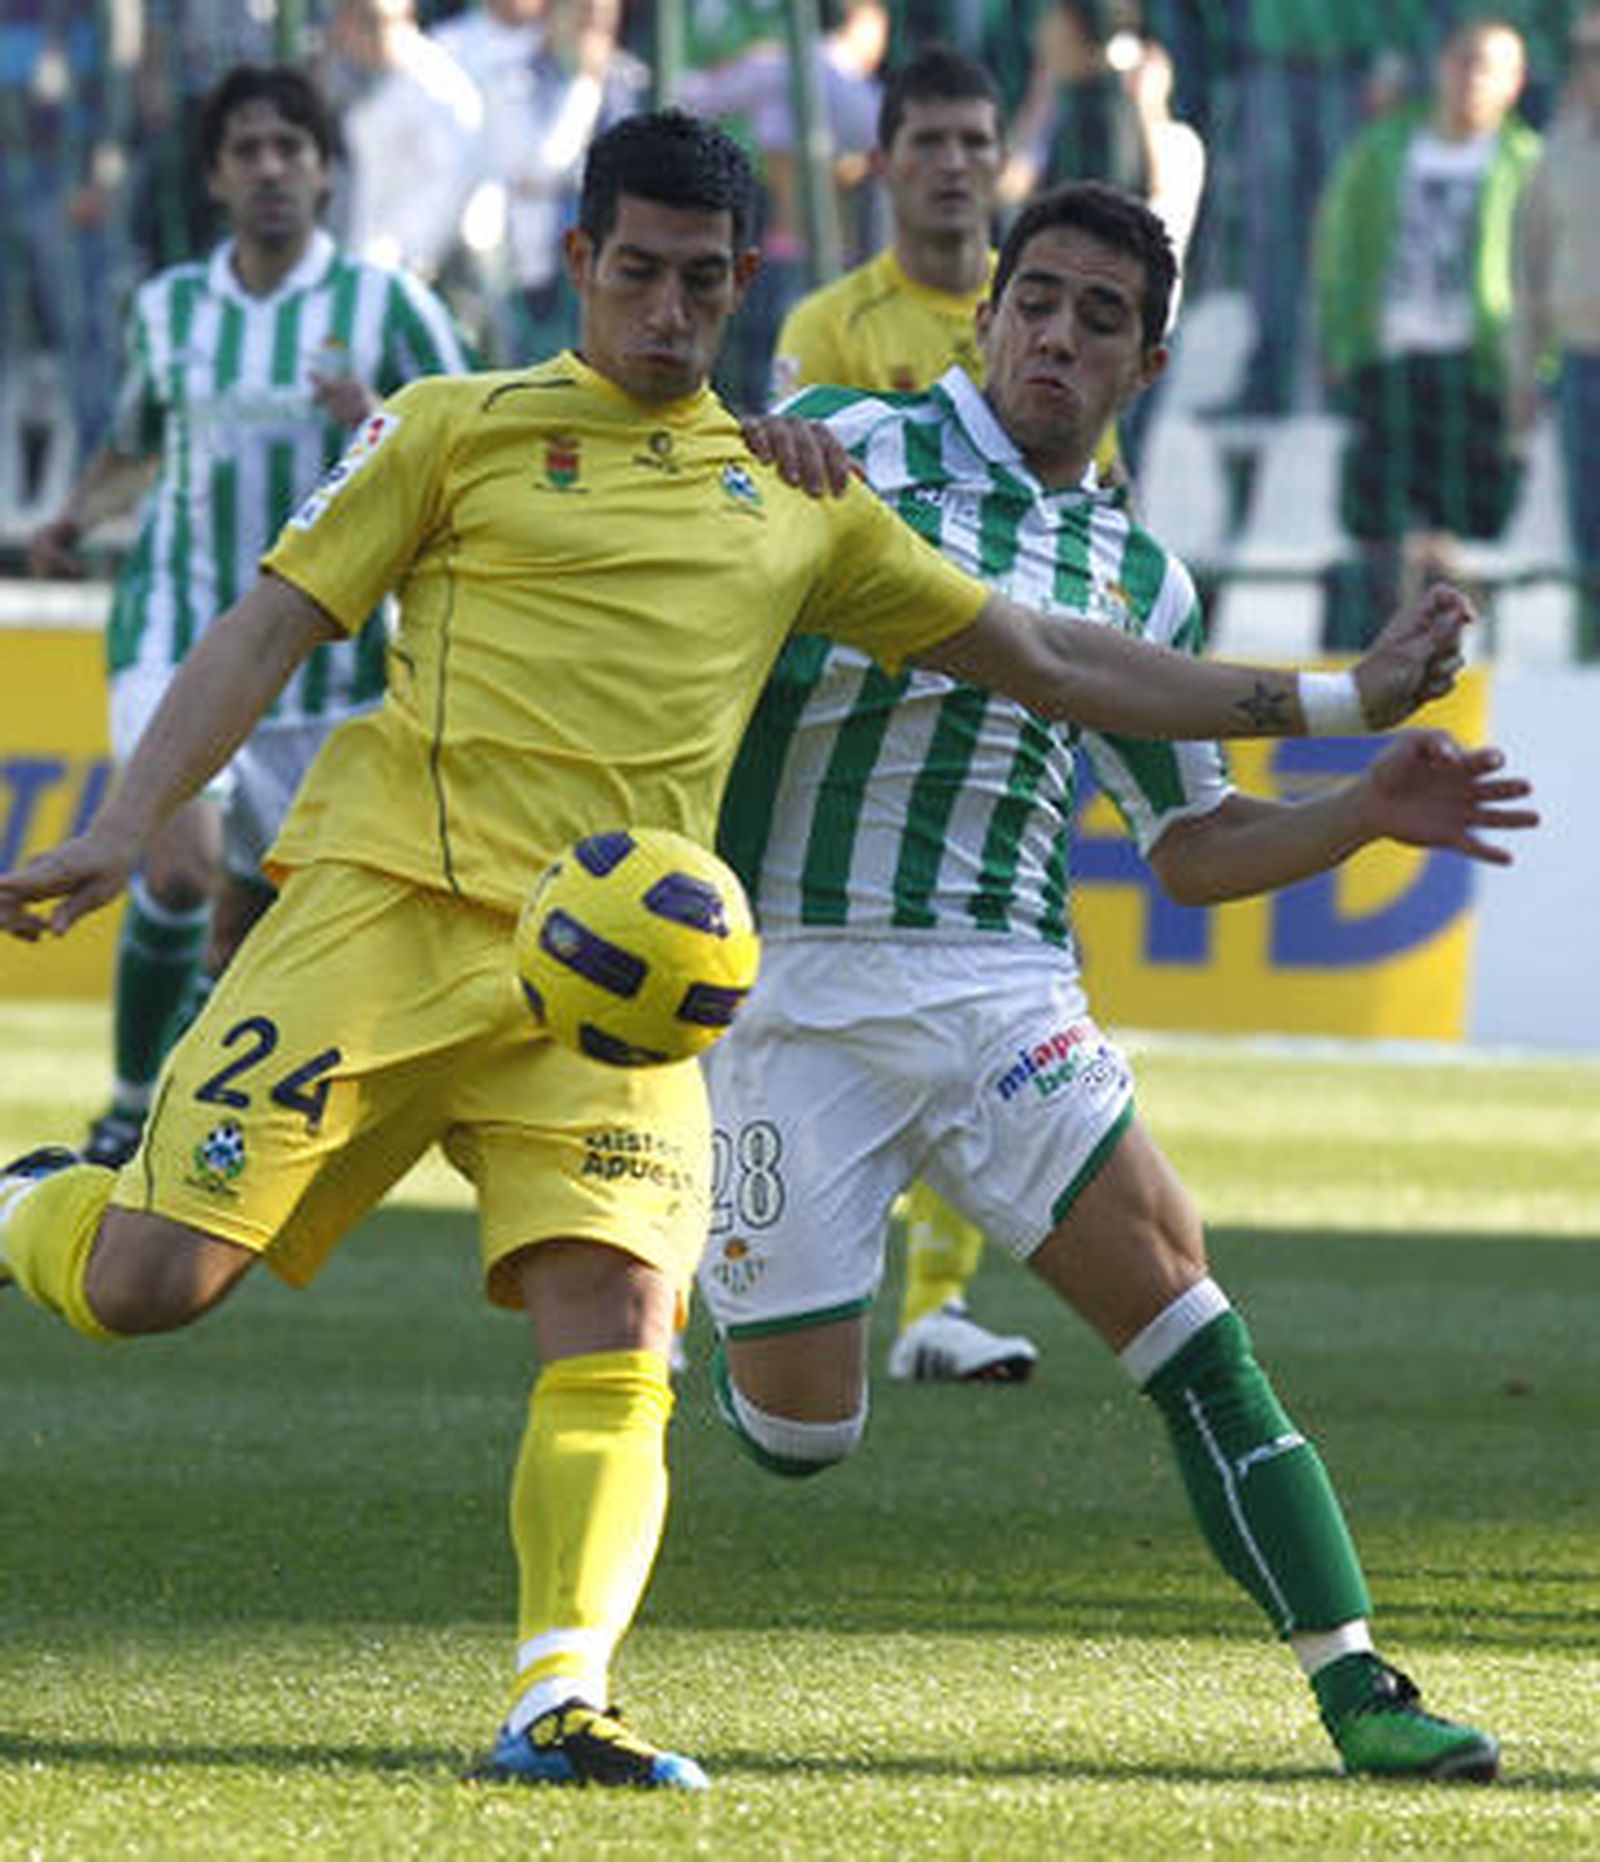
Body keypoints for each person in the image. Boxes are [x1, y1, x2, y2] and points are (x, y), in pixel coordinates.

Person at [0, 110, 1470, 1795]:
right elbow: (269, 621)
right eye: (636, 274)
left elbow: (1065, 671)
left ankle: (568, 1695)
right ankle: (28, 1201)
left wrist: (1352, 725)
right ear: (579, 266)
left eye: (701, 283)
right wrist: (128, 821)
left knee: (647, 1314)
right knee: (159, 1286)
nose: (665, 314)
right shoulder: (565, 435)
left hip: (709, 990)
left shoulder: (879, 517)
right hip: (474, 933)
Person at [703, 181, 1531, 1782]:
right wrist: (749, 453)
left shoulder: (1143, 579)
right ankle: (709, 1244)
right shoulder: (834, 444)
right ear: (988, 309)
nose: (1058, 337)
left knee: (1192, 1321)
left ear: (1144, 368)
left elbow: (1196, 843)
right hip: (793, 981)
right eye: (1040, 300)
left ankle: (1357, 1682)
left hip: (1007, 989)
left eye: (1101, 320)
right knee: (803, 1429)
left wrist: (1363, 810)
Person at [25, 64, 470, 1169]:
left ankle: (192, 1115)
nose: (271, 169)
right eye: (248, 151)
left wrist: (371, 420)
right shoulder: (171, 308)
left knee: (254, 930)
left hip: (335, 673)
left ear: (325, 171)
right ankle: (129, 1110)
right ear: (217, 176)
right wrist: (74, 518)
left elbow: (469, 458)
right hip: (177, 626)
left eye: (292, 149)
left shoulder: (388, 307)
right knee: (178, 868)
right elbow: (137, 442)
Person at [773, 42, 1101, 1383]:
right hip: (866, 714)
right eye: (932, 143)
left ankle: (941, 1303)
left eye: (977, 140)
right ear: (885, 163)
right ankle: (756, 1270)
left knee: (1008, 974)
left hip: (1019, 693)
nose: (958, 163)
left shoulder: (1063, 319)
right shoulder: (835, 325)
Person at [1315, 16, 1541, 647]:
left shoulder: (1525, 161)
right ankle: (1364, 666)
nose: (1473, 78)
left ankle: (1452, 669)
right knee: (1376, 532)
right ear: (1442, 65)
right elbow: (1339, 246)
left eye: (1490, 66)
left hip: (1477, 366)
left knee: (1461, 537)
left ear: (1515, 82)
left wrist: (1533, 367)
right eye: (1464, 60)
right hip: (1387, 357)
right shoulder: (1383, 148)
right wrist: (1339, 337)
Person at [1508, 4, 1600, 658]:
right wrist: (1524, 371)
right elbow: (1527, 274)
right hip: (1579, 364)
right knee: (1588, 538)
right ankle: (1591, 666)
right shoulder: (1557, 154)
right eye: (1587, 53)